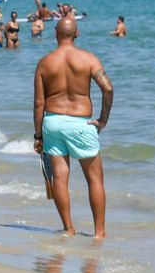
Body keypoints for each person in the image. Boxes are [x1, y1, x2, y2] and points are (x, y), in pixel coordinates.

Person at [33, 17, 114, 238]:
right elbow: (108, 88)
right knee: (95, 179)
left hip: (53, 123)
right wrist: (103, 120)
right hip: (81, 123)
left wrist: (38, 134)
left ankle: (69, 228)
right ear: (76, 34)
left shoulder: (45, 62)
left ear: (55, 34)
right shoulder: (88, 59)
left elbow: (39, 103)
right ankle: (99, 233)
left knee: (60, 178)